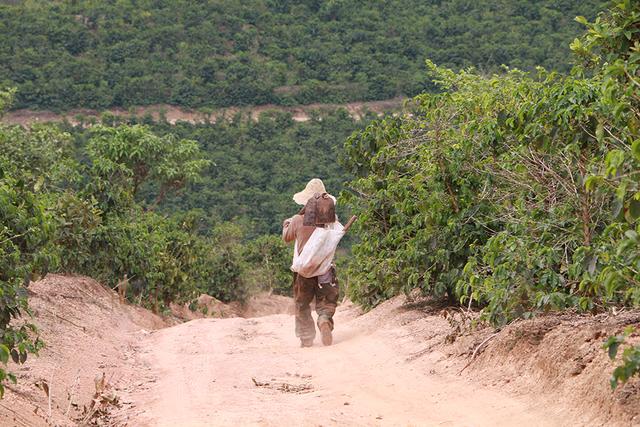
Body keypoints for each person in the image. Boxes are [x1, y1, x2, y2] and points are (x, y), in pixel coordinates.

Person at [282, 178, 339, 347]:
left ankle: (306, 337)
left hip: (304, 272)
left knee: (302, 303)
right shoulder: (332, 221)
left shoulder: (298, 220)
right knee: (327, 301)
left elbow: (286, 238)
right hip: (325, 270)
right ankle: (324, 320)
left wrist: (287, 224)